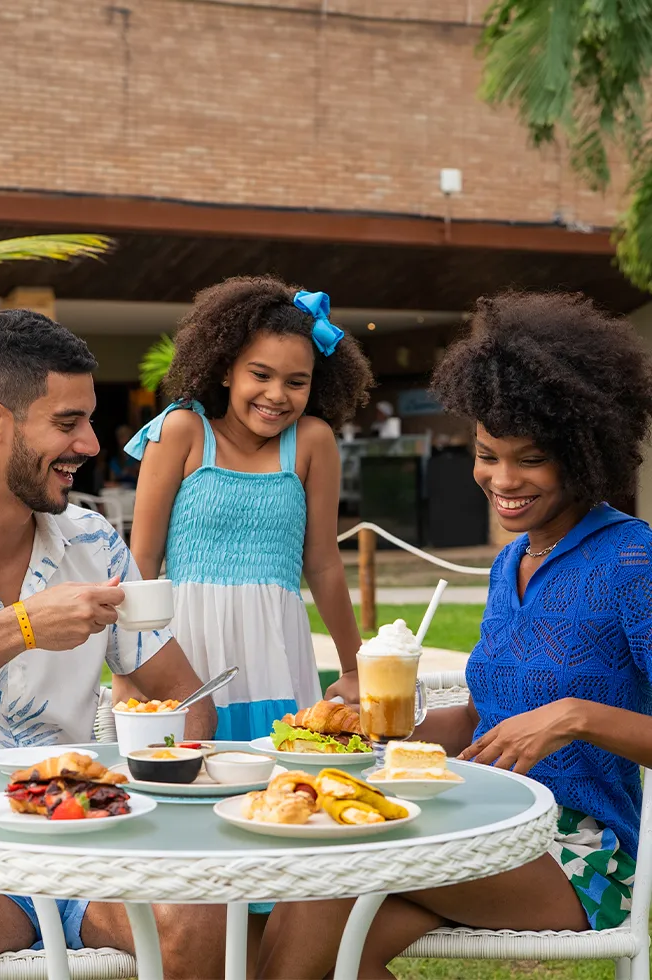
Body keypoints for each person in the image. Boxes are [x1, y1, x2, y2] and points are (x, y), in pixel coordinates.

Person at [257, 291, 652, 979]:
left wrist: (574, 717)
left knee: (329, 869)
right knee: (314, 939)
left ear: (586, 451)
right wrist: (377, 731)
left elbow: (548, 719)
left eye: (529, 460)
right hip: (486, 821)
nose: (502, 480)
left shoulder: (631, 560)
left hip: (580, 853)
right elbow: (481, 715)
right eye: (486, 454)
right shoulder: (511, 561)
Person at [0, 309, 217, 971]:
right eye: (66, 423)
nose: (89, 443)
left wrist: (158, 787)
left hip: (80, 839)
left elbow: (187, 694)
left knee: (195, 925)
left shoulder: (95, 543)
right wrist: (19, 628)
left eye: (87, 419)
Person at [122, 275, 374, 739]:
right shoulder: (182, 431)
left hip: (274, 650)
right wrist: (126, 670)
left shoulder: (313, 443)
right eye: (260, 375)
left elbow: (323, 564)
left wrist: (355, 666)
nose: (277, 395)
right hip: (188, 649)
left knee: (276, 781)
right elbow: (141, 560)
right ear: (225, 369)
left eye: (296, 382)